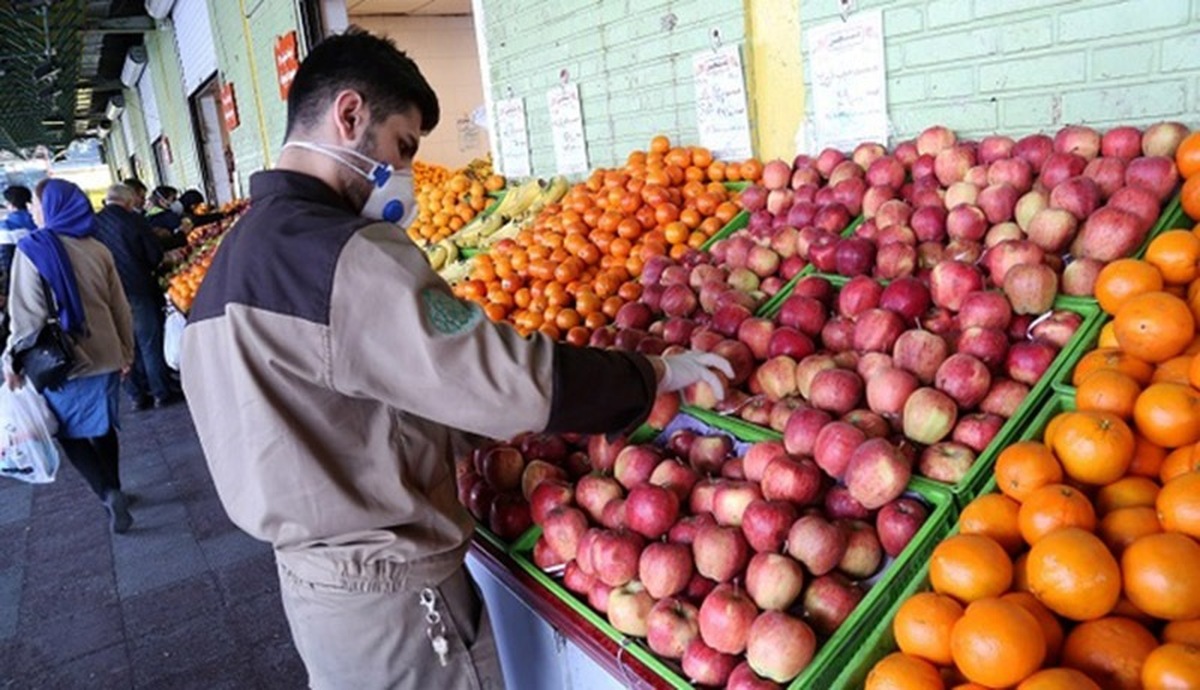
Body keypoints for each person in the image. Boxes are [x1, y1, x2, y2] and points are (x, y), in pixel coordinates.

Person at [181, 28, 730, 690]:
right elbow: (503, 381)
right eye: (402, 148)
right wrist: (655, 373)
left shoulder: (225, 271)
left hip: (319, 596)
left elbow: (340, 405)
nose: (405, 174)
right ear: (349, 114)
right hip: (399, 601)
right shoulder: (342, 256)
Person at [4, 179, 135, 533]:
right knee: (104, 426)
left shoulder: (31, 250)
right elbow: (120, 307)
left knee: (70, 434)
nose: (32, 210)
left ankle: (107, 493)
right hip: (106, 355)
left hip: (63, 362)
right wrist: (127, 351)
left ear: (53, 207)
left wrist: (11, 362)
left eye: (36, 203)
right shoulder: (97, 249)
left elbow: (26, 317)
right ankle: (117, 487)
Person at [93, 183, 176, 410]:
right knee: (149, 341)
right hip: (138, 288)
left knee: (123, 344)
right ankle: (161, 391)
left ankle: (137, 395)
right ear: (128, 201)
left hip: (108, 293)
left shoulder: (93, 224)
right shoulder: (134, 220)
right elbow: (154, 255)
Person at [0, 185, 37, 342]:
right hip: (41, 275)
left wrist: (6, 291)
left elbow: (5, 260)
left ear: (10, 204)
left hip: (17, 279)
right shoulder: (37, 221)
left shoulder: (6, 226)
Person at [145, 186, 186, 250]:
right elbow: (183, 228)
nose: (176, 202)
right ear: (162, 201)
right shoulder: (167, 216)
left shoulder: (148, 215)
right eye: (173, 199)